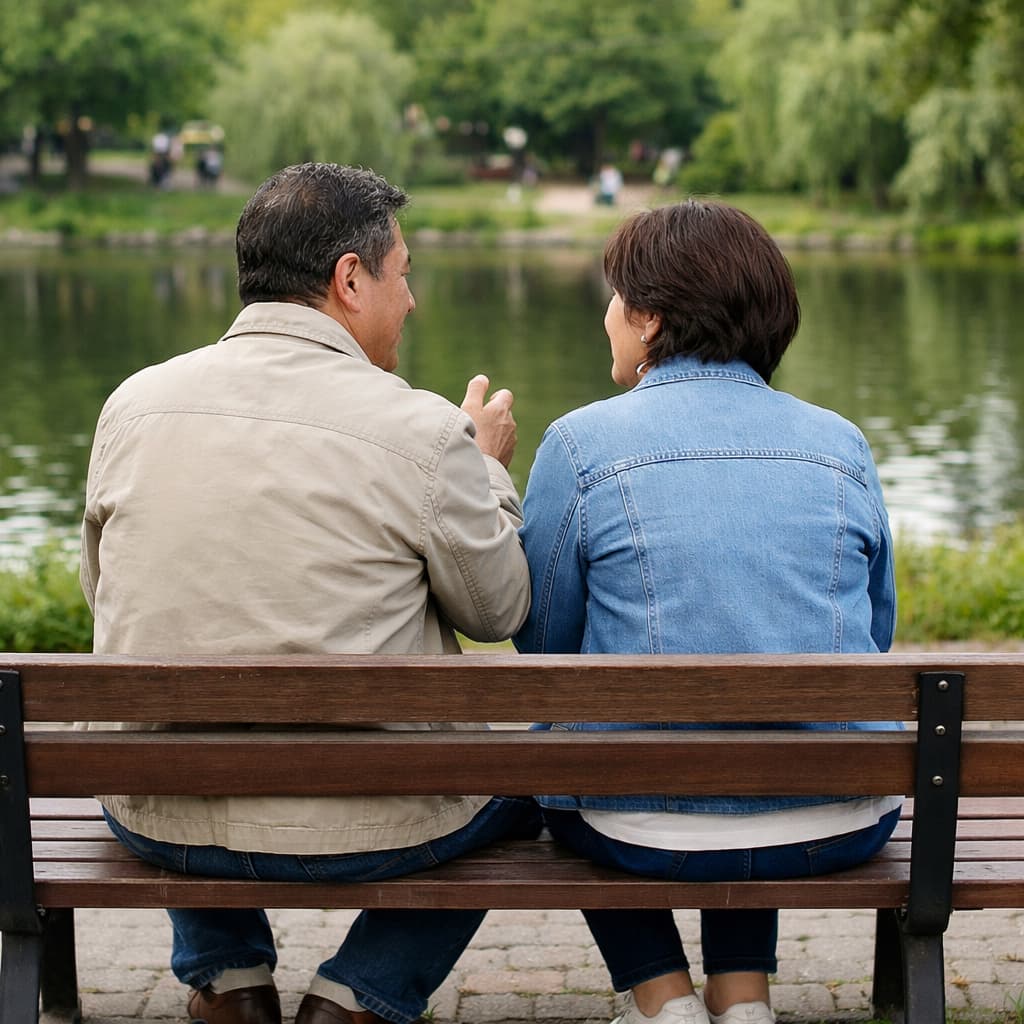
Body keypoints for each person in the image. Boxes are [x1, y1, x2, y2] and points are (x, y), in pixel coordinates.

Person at [80, 162, 541, 1024]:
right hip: (376, 824)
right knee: (529, 779)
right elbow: (499, 611)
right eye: (403, 275)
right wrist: (485, 472)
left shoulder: (132, 405)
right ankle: (360, 993)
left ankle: (227, 979)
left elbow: (103, 592)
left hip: (159, 810)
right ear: (350, 279)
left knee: (182, 701)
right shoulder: (422, 428)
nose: (413, 302)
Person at [514, 199, 900, 1024]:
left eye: (616, 296)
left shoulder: (580, 444)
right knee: (754, 721)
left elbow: (542, 645)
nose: (607, 314)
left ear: (650, 318)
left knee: (561, 750)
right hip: (837, 818)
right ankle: (742, 994)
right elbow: (876, 630)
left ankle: (662, 997)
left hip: (638, 827)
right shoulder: (842, 443)